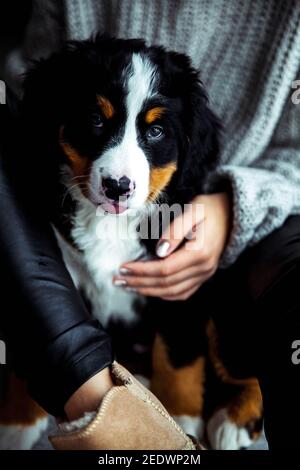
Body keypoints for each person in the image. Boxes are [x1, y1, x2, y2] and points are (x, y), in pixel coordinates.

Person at [1, 0, 300, 449]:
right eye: (96, 120)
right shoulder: (59, 90)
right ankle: (84, 405)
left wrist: (231, 208)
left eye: (155, 131)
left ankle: (215, 408)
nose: (121, 174)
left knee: (223, 308)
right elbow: (21, 102)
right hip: (63, 273)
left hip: (242, 214)